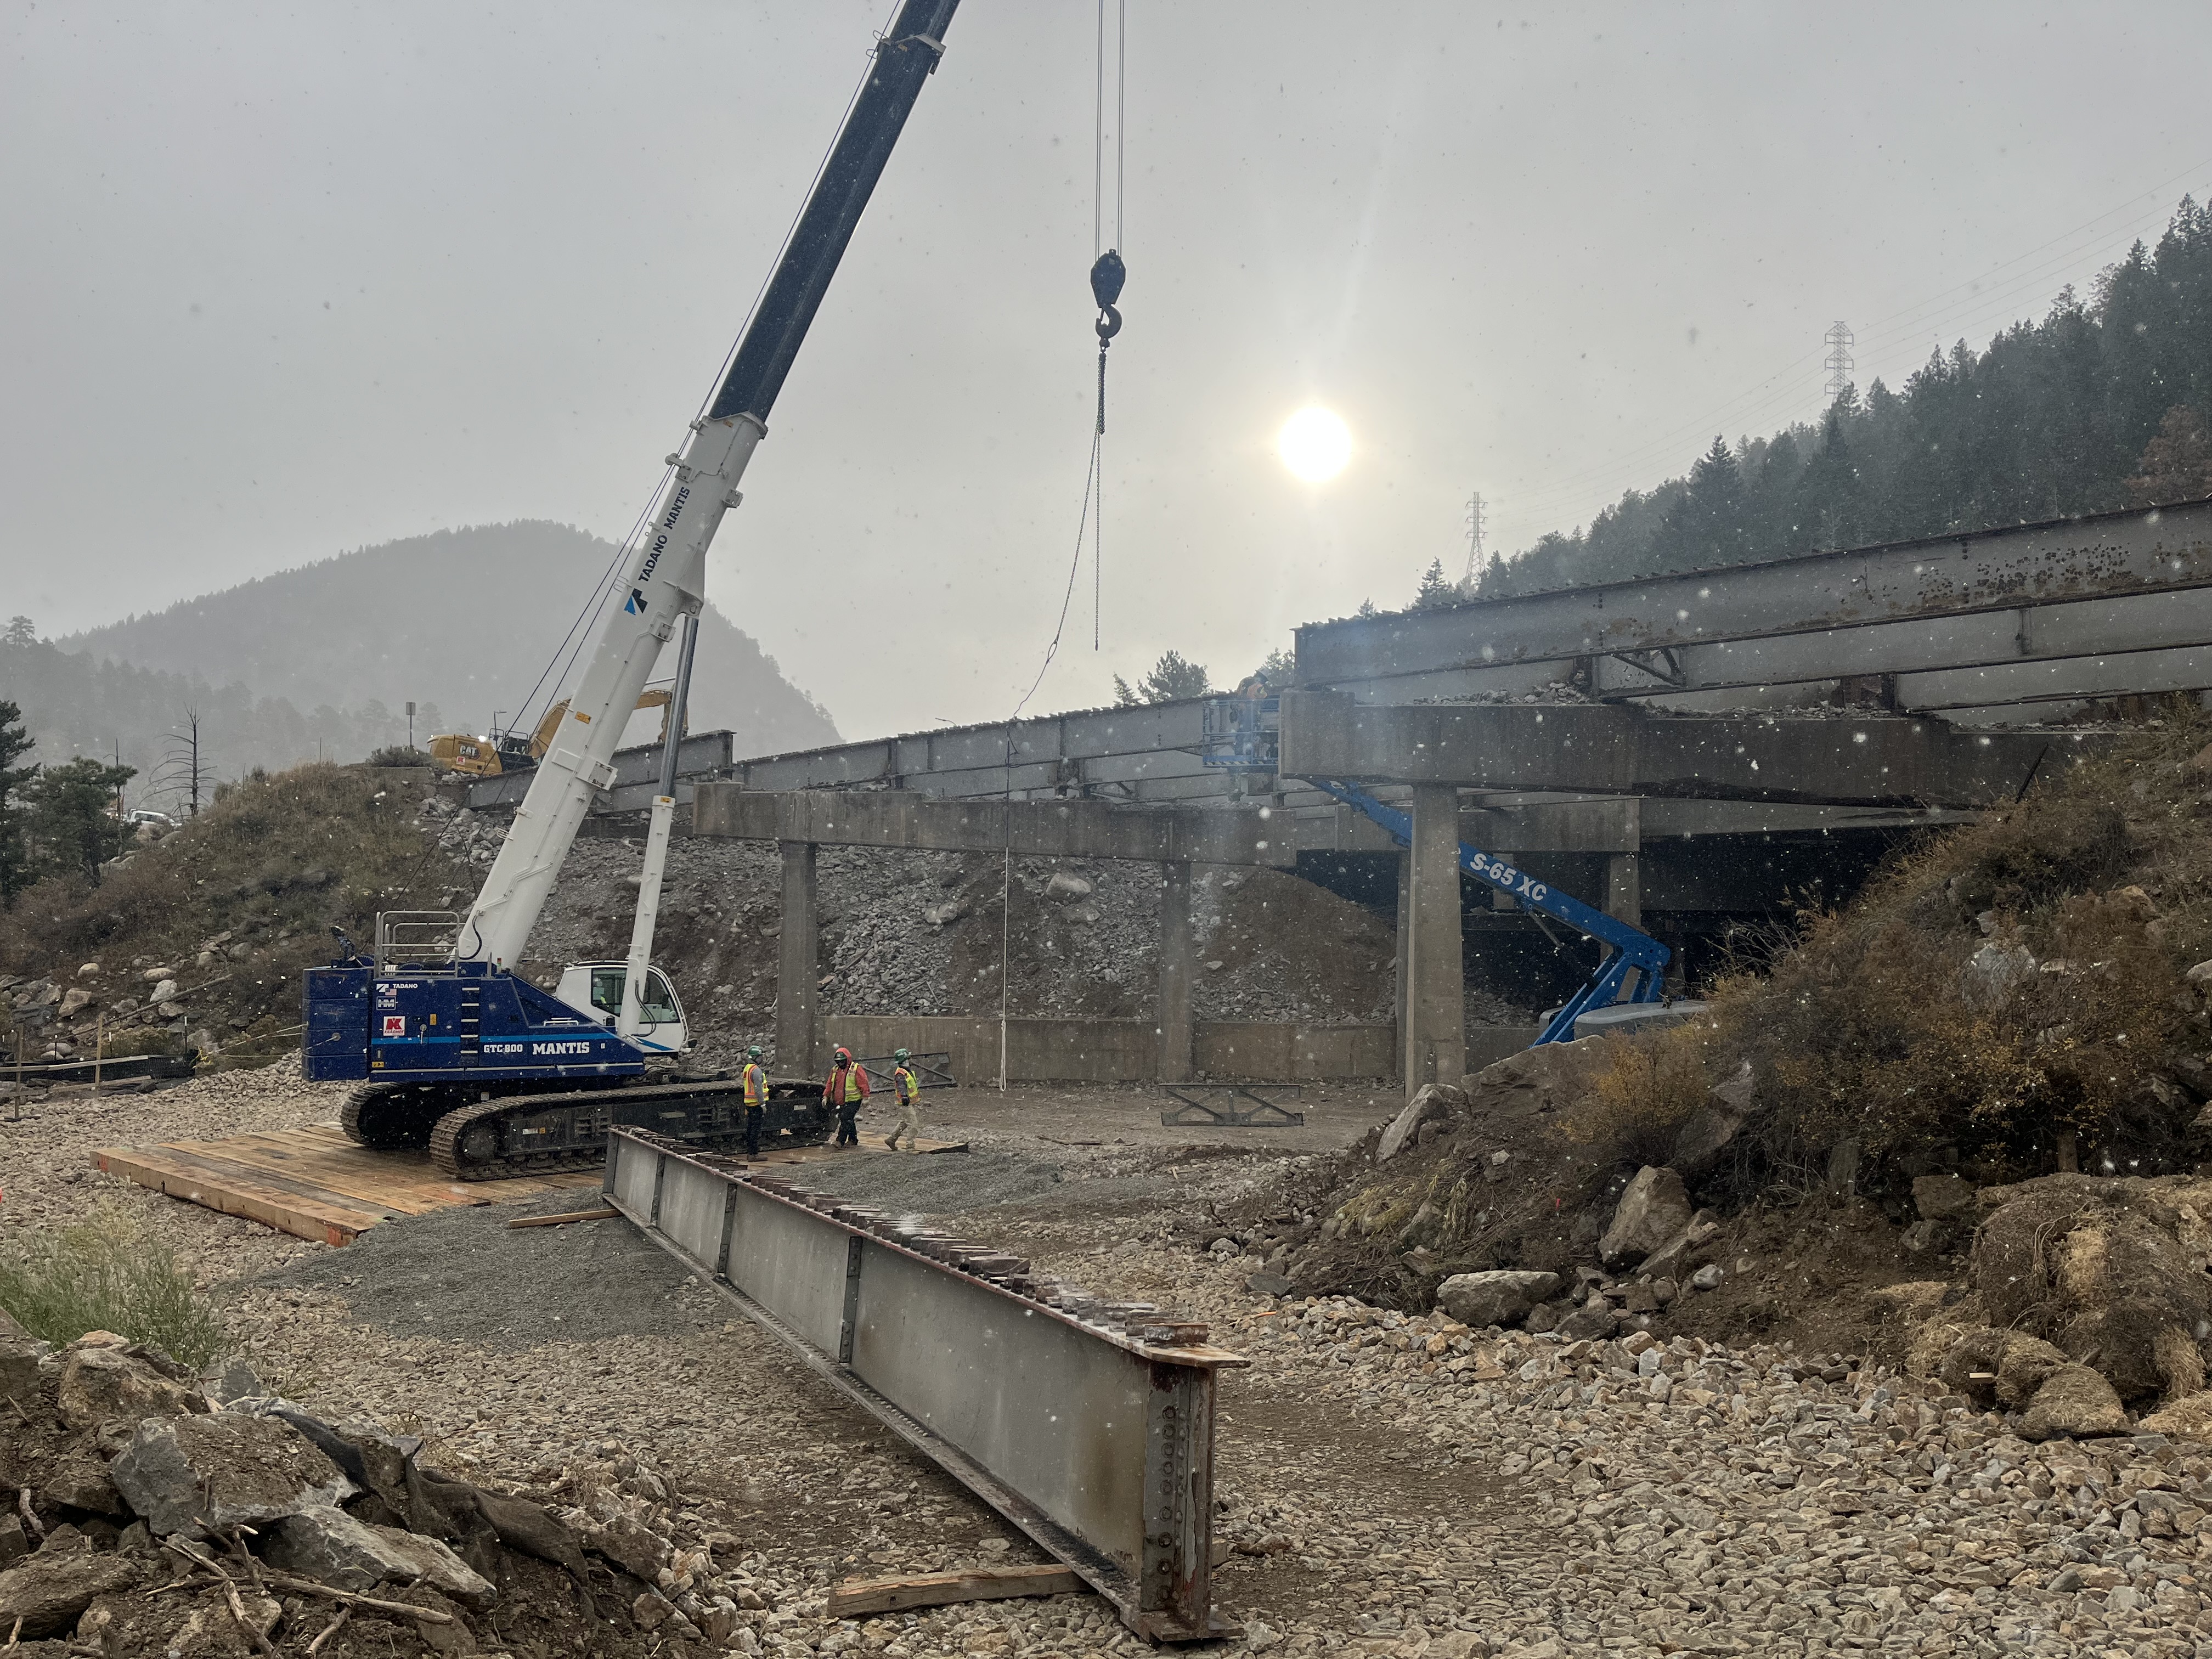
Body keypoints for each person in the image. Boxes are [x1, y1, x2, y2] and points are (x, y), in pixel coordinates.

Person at [823, 1045, 868, 1148]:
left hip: (854, 1100)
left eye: (842, 1061)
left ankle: (840, 1141)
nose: (840, 1064)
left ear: (847, 1060)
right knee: (848, 1120)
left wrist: (866, 1098)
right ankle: (853, 1139)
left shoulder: (856, 1069)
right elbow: (830, 1084)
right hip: (840, 1101)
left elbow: (864, 1083)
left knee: (845, 1118)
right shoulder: (835, 1070)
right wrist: (826, 1096)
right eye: (838, 1061)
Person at [885, 1048, 924, 1153]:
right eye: (909, 1058)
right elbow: (901, 1085)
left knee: (905, 1122)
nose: (911, 1060)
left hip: (907, 1103)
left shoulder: (906, 1071)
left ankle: (892, 1139)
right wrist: (904, 1096)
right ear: (905, 1060)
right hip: (905, 1103)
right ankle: (910, 1146)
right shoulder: (901, 1073)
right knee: (914, 1124)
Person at [740, 1045, 768, 1156]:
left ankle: (750, 1151)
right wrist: (763, 1104)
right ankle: (754, 1153)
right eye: (760, 1056)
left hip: (749, 1102)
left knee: (751, 1126)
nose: (762, 1059)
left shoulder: (747, 1068)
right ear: (755, 1057)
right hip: (756, 1103)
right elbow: (758, 1088)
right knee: (756, 1128)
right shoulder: (756, 1070)